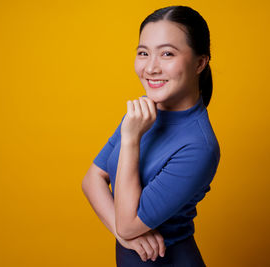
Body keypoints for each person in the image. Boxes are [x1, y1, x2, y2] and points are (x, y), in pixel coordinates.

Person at [82, 5, 220, 266]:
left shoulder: (199, 146)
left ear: (200, 62)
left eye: (167, 53)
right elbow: (92, 180)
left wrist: (131, 139)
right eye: (143, 53)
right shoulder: (144, 112)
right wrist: (124, 235)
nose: (151, 67)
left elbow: (129, 223)